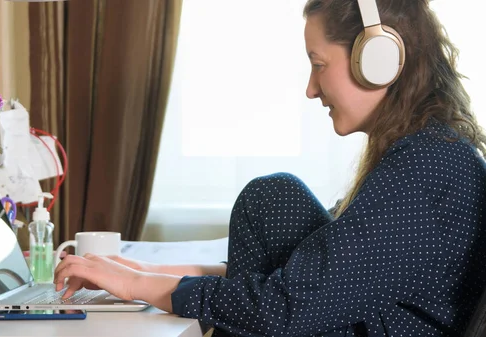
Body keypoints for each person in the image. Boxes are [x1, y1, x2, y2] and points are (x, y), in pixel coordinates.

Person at [54, 0, 486, 335]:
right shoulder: (433, 154)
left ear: (378, 59)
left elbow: (287, 304)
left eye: (319, 65)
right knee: (273, 202)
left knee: (271, 199)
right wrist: (142, 274)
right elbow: (312, 278)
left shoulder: (428, 166)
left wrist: (136, 288)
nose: (312, 88)